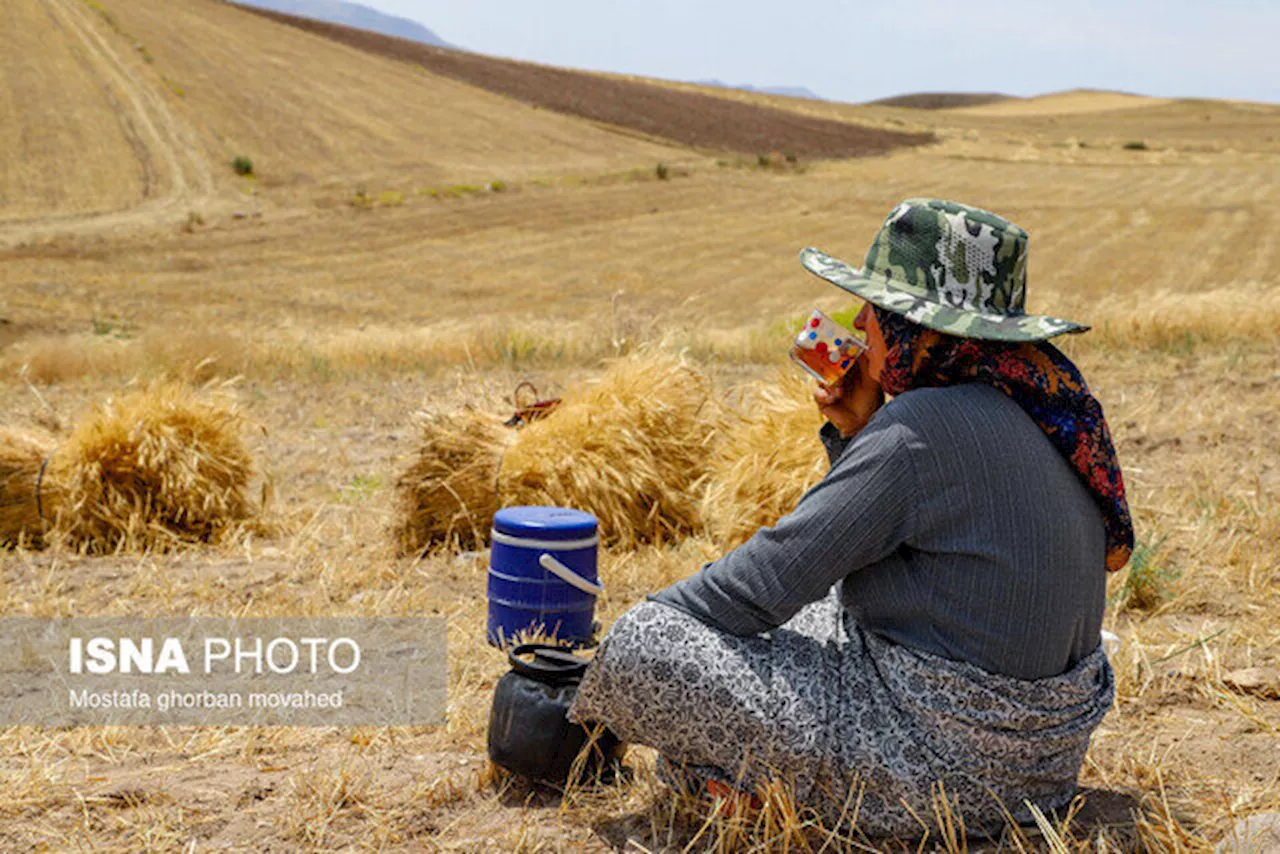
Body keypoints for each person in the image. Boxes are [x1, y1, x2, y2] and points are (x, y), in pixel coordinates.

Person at [569, 199, 1134, 838]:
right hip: (1041, 765)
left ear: (917, 329)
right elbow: (891, 543)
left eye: (875, 310)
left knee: (644, 640)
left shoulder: (921, 431)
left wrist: (620, 658)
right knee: (817, 618)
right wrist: (859, 431)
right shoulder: (1041, 405)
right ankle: (737, 781)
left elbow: (757, 588)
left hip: (948, 772)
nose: (858, 325)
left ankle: (747, 785)